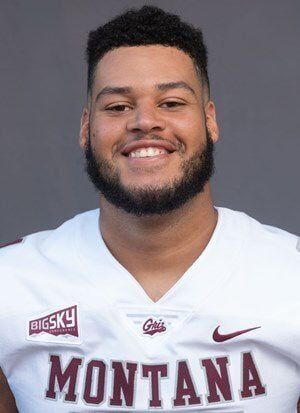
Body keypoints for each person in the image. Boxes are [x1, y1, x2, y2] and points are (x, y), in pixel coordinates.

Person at [0, 5, 299, 412]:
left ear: (210, 121)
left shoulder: (290, 277)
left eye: (172, 102)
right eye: (118, 106)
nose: (145, 121)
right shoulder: (12, 283)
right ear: (86, 129)